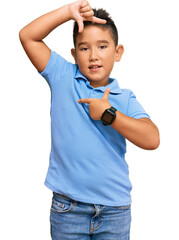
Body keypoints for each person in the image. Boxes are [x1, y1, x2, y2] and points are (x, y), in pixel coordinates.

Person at [19, 0, 160, 239]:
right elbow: (28, 37)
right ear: (74, 54)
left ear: (118, 52)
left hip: (114, 210)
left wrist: (109, 114)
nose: (93, 56)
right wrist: (66, 13)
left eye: (102, 46)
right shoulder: (62, 76)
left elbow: (152, 138)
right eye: (84, 48)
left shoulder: (123, 97)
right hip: (68, 209)